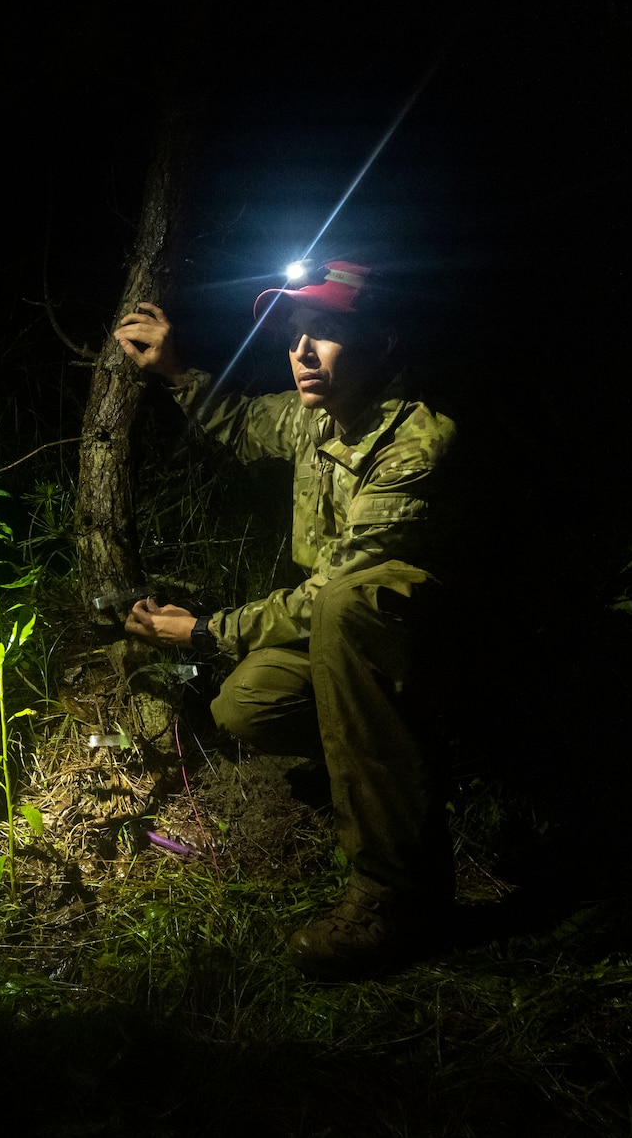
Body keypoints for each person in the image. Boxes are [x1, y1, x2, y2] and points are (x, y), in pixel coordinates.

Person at [113, 262, 460, 979]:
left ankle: (397, 892)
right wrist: (174, 369)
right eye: (296, 332)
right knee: (246, 704)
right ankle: (391, 760)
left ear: (383, 341)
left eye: (326, 332)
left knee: (341, 605)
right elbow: (241, 422)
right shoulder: (316, 416)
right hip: (349, 640)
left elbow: (332, 591)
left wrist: (204, 631)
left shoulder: (418, 442)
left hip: (442, 649)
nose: (300, 350)